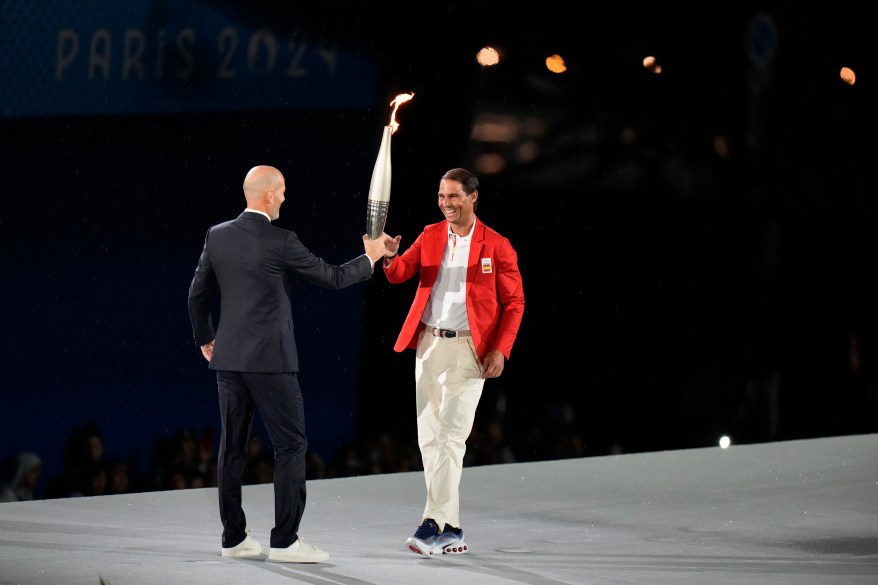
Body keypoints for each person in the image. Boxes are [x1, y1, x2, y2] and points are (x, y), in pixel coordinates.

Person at [187, 164, 389, 563]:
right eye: (280, 192)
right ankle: (285, 541)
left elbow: (196, 297)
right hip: (271, 362)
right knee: (291, 446)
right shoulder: (281, 240)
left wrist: (207, 339)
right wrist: (370, 258)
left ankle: (233, 539)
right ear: (267, 196)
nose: (283, 198)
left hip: (228, 360)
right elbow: (331, 278)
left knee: (232, 449)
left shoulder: (218, 235)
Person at [381, 167, 525, 557]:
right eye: (442, 197)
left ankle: (432, 523)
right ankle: (453, 528)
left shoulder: (497, 245)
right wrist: (389, 257)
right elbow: (398, 274)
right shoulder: (430, 235)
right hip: (428, 343)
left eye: (454, 197)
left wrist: (501, 349)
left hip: (470, 351)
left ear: (473, 196)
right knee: (429, 438)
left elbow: (515, 303)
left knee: (451, 437)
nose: (446, 204)